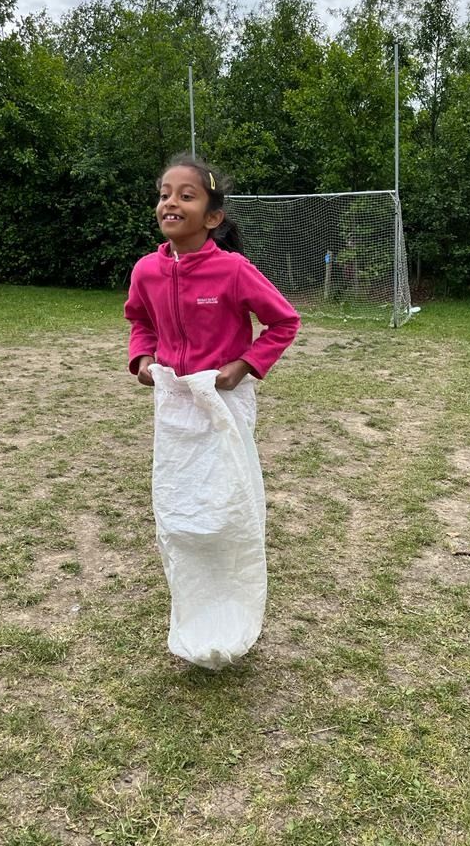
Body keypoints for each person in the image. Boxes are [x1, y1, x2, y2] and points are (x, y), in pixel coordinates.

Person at [124, 154, 300, 669]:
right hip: (174, 405)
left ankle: (233, 601)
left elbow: (284, 322)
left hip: (225, 402)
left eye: (186, 195)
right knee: (181, 509)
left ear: (213, 216)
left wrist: (243, 366)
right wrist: (142, 358)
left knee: (225, 505)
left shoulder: (234, 270)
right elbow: (140, 321)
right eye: (164, 194)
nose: (171, 203)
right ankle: (195, 605)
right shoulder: (147, 271)